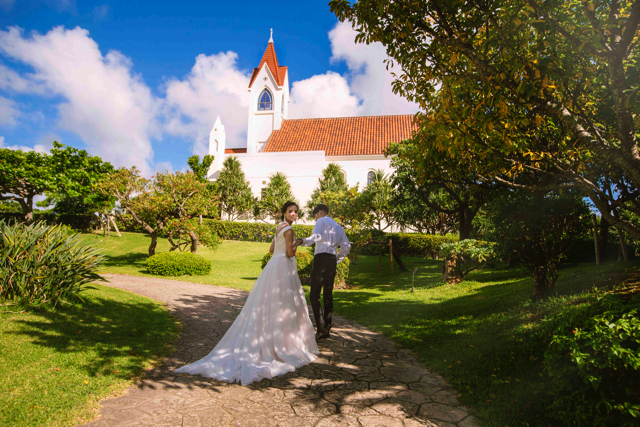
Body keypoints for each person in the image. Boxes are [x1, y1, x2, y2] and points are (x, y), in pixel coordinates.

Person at [175, 201, 318, 386]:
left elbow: (272, 250)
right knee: (284, 305)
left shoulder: (279, 227)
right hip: (283, 268)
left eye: (296, 212)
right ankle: (283, 344)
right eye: (291, 211)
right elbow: (290, 253)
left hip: (272, 267)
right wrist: (298, 242)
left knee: (268, 304)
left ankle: (272, 341)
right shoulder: (289, 230)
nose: (294, 214)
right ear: (284, 212)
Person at [295, 204, 350, 340]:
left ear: (319, 212)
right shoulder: (338, 226)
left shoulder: (321, 221)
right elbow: (346, 246)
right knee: (328, 294)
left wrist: (303, 241)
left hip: (321, 258)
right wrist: (337, 259)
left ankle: (321, 329)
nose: (315, 219)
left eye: (315, 216)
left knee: (314, 294)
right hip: (331, 259)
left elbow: (317, 236)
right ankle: (327, 326)